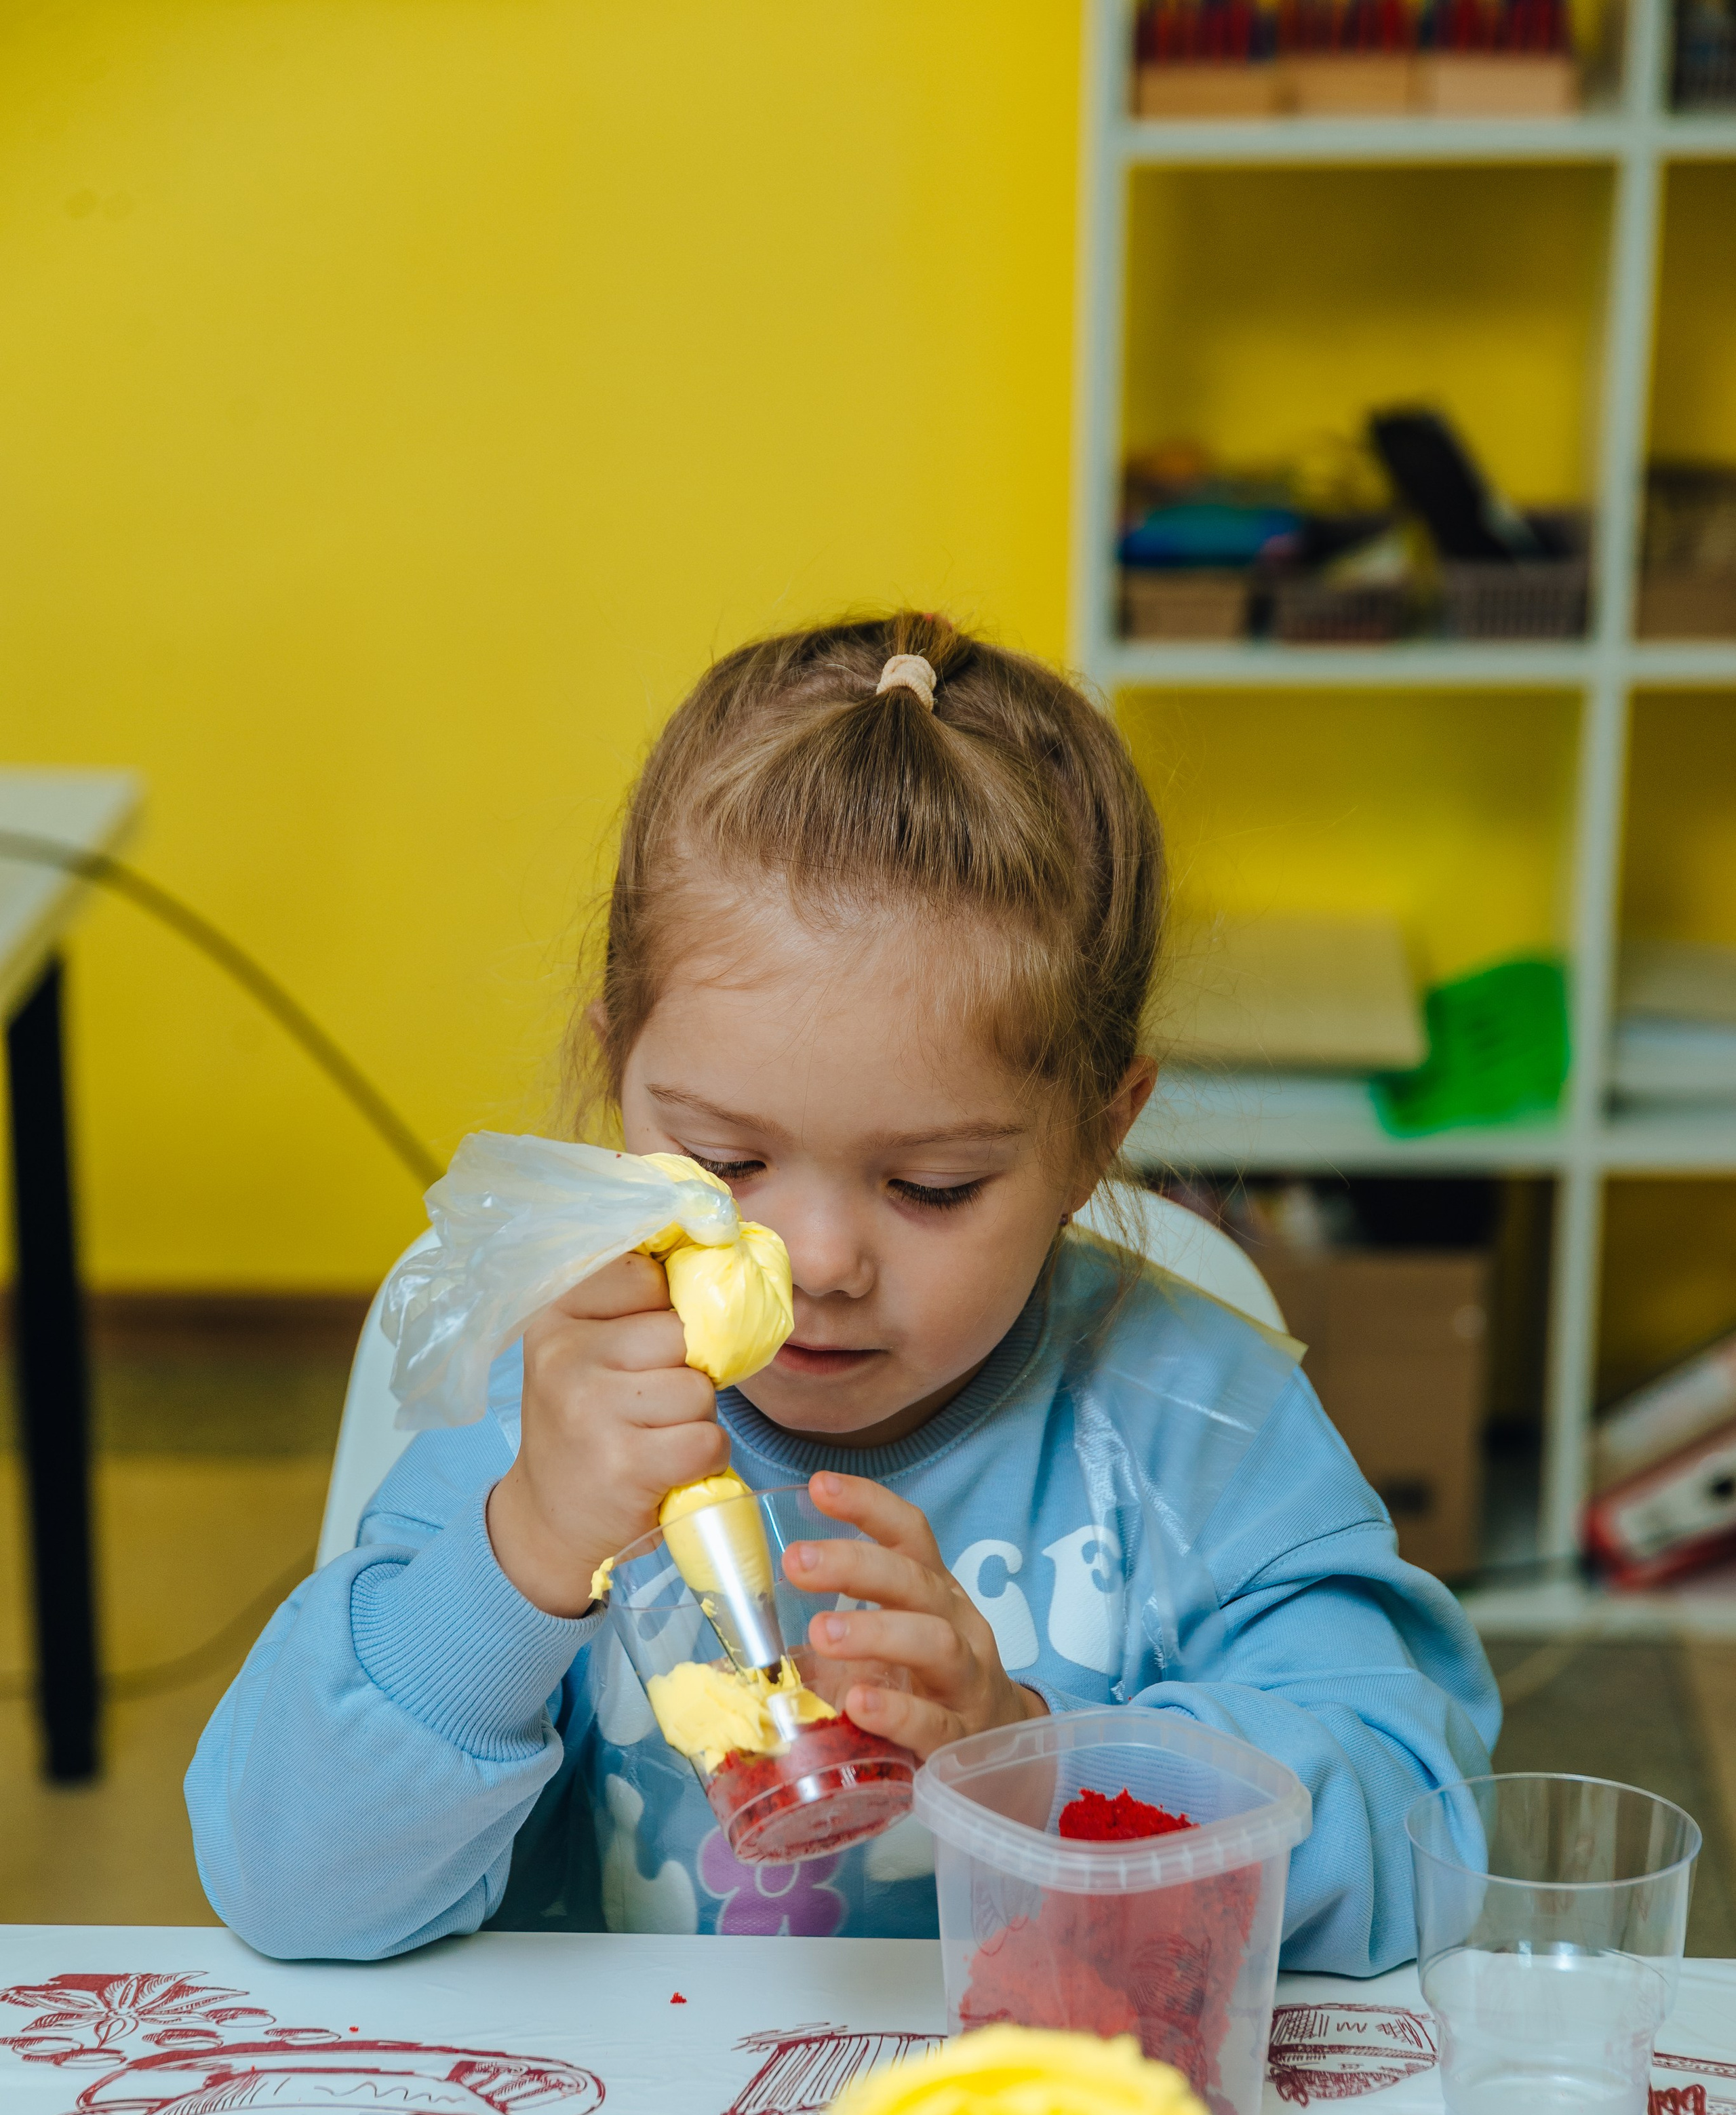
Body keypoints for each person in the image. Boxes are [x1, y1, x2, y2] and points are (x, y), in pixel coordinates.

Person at [186, 613, 1497, 1966]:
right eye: (724, 1159)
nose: (814, 1261)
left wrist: (1040, 1762)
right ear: (616, 1078)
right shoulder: (548, 1406)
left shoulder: (1200, 1426)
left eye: (930, 1185)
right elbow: (291, 1888)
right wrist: (516, 1556)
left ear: (1097, 1136)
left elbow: (1429, 1838)